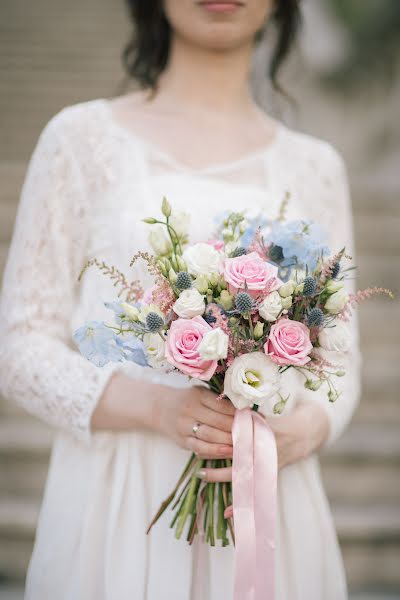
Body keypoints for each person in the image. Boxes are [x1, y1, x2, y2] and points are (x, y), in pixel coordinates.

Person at [0, 1, 361, 598]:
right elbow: (18, 344)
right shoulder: (80, 138)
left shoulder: (316, 166)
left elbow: (344, 360)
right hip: (119, 497)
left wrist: (302, 432)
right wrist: (155, 407)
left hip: (271, 496)